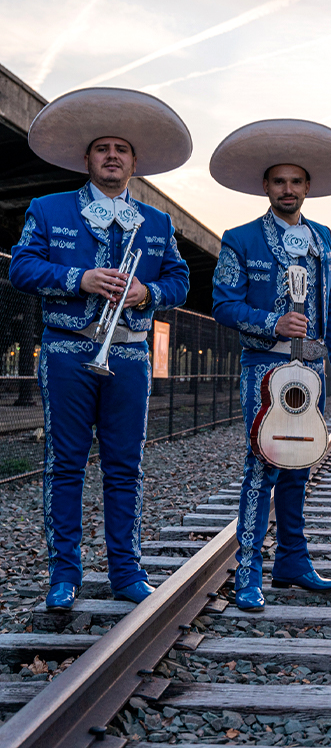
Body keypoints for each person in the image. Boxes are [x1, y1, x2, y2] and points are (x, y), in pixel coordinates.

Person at [9, 88, 192, 610]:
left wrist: (148, 293)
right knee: (64, 464)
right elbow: (22, 267)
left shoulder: (157, 222)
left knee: (125, 465)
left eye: (122, 149)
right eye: (102, 148)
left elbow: (179, 279)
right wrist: (79, 277)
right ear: (88, 159)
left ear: (134, 162)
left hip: (130, 354)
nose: (112, 156)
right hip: (69, 351)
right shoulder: (48, 208)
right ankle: (63, 575)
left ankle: (126, 572)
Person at [210, 119, 331, 611]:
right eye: (279, 181)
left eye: (296, 181)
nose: (288, 189)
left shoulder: (325, 238)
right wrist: (273, 322)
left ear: (308, 187)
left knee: (300, 464)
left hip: (312, 370)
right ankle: (249, 568)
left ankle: (292, 560)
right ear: (266, 187)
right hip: (263, 367)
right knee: (264, 465)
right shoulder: (240, 237)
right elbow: (223, 305)